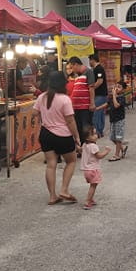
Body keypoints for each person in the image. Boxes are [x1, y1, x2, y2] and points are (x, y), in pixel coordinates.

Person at [32, 71, 81, 205]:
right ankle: (64, 190)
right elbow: (70, 120)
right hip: (63, 135)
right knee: (71, 161)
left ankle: (52, 196)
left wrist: (45, 117)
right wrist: (76, 136)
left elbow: (35, 112)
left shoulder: (42, 97)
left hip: (46, 134)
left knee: (50, 165)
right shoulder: (65, 99)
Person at [79, 125, 112, 210]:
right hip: (93, 170)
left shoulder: (84, 145)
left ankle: (91, 199)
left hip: (86, 170)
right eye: (93, 134)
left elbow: (81, 151)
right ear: (87, 138)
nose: (96, 135)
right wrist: (107, 151)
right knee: (93, 186)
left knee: (92, 185)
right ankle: (88, 201)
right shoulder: (93, 146)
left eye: (95, 133)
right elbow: (99, 156)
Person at [67, 57, 94, 140]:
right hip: (76, 107)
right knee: (78, 127)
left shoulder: (88, 72)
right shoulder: (77, 75)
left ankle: (88, 145)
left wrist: (92, 103)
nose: (72, 70)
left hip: (84, 107)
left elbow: (91, 88)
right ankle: (81, 145)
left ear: (76, 64)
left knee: (85, 128)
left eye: (72, 67)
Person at [107, 81, 129, 161]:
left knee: (118, 138)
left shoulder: (122, 97)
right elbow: (108, 104)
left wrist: (114, 95)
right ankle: (122, 148)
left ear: (123, 90)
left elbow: (116, 105)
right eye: (116, 86)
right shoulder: (113, 97)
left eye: (119, 87)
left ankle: (117, 155)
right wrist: (97, 108)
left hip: (119, 120)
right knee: (113, 138)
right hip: (113, 120)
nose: (116, 88)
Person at [89, 54, 108, 138]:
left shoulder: (99, 69)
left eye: (90, 60)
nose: (89, 62)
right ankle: (100, 131)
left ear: (93, 60)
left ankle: (97, 131)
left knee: (97, 113)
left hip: (100, 94)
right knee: (100, 113)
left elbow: (100, 81)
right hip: (101, 95)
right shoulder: (96, 69)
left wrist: (92, 88)